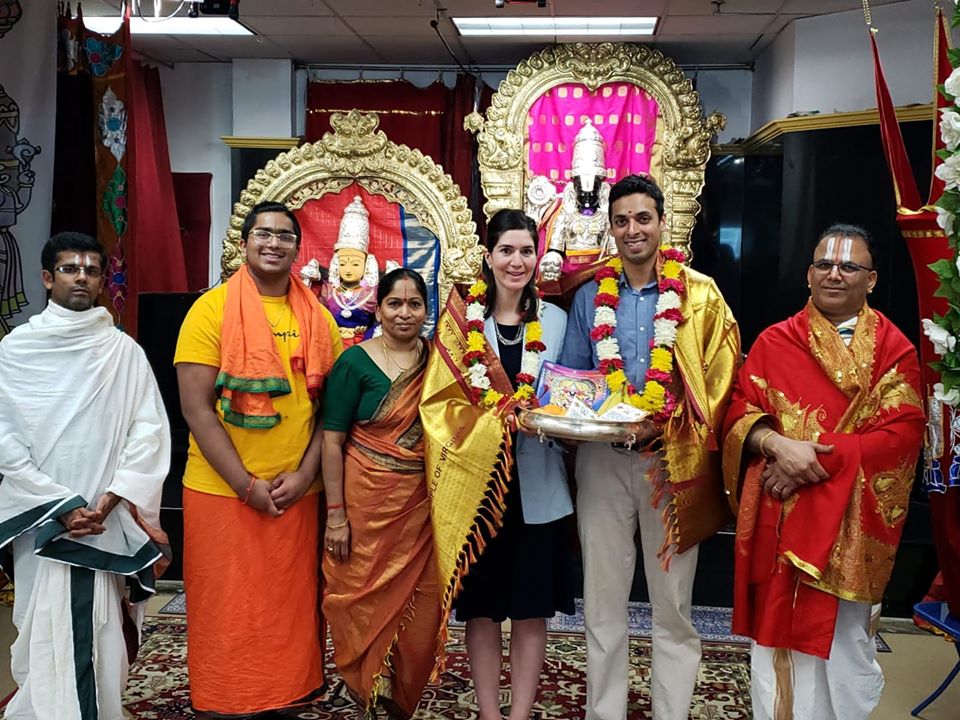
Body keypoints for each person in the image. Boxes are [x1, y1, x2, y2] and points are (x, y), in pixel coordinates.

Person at [722, 223, 924, 720]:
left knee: (845, 648)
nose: (834, 274)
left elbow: (901, 436)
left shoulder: (894, 352)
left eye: (848, 266)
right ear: (808, 274)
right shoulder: (775, 341)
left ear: (871, 280)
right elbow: (738, 413)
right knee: (777, 649)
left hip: (849, 532)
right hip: (781, 523)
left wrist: (804, 460)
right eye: (823, 265)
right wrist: (773, 443)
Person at [558, 174, 740, 720]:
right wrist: (591, 411)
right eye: (621, 220)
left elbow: (722, 379)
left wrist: (667, 422)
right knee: (603, 602)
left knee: (674, 606)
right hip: (602, 465)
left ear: (663, 222)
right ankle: (604, 712)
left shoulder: (701, 294)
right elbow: (575, 382)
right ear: (610, 228)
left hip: (673, 463)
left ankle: (671, 713)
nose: (632, 229)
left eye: (642, 218)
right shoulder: (592, 297)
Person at [175, 200, 343, 718]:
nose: (273, 243)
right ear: (244, 242)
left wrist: (306, 473)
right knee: (224, 609)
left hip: (296, 491)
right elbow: (196, 410)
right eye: (263, 234)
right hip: (220, 491)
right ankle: (224, 700)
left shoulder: (318, 317)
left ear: (298, 246)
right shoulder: (209, 309)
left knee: (287, 610)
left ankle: (287, 696)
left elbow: (329, 414)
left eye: (285, 236)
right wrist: (245, 485)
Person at [0, 231, 171, 720]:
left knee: (98, 630)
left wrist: (112, 497)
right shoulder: (17, 350)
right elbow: (5, 438)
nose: (82, 277)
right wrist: (61, 503)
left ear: (101, 281)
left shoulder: (123, 352)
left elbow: (148, 430)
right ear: (47, 278)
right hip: (42, 515)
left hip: (105, 516)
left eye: (92, 270)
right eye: (71, 269)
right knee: (41, 623)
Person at [423, 209, 575, 720]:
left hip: (539, 487)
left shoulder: (557, 322)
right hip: (478, 487)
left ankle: (520, 713)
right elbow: (443, 406)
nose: (516, 261)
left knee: (532, 609)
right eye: (506, 250)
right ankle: (490, 713)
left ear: (538, 258)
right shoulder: (464, 324)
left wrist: (541, 415)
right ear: (488, 257)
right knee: (482, 608)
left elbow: (575, 397)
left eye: (526, 251)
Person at [321, 267, 442, 719]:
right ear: (379, 307)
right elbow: (331, 441)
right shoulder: (354, 363)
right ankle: (365, 691)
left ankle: (399, 703)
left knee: (422, 615)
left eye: (414, 304)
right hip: (364, 504)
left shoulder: (440, 363)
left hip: (423, 510)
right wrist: (336, 516)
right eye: (395, 303)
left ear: (427, 310)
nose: (404, 313)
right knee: (358, 601)